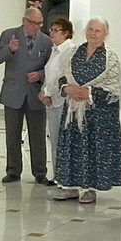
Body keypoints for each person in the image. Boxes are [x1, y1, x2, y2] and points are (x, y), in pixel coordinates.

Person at [50, 18, 121, 203]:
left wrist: (89, 92)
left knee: (93, 150)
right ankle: (70, 187)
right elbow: (62, 77)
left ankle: (91, 189)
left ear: (105, 34)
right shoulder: (74, 53)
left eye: (98, 31)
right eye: (90, 29)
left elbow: (114, 88)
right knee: (71, 149)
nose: (93, 33)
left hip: (97, 116)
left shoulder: (110, 57)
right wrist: (67, 88)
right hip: (73, 112)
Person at [0, 6, 52, 184]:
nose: (36, 27)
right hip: (13, 93)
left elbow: (51, 67)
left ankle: (40, 172)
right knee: (12, 135)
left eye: (39, 23)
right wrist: (9, 50)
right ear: (24, 21)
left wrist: (40, 75)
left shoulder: (46, 41)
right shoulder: (9, 35)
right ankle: (13, 171)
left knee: (38, 136)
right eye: (33, 23)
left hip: (36, 95)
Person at [39, 18, 74, 180]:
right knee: (54, 140)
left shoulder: (70, 51)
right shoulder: (55, 50)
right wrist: (44, 91)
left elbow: (63, 76)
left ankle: (66, 176)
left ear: (66, 33)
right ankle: (57, 175)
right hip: (52, 101)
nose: (51, 33)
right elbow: (49, 75)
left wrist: (47, 93)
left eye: (56, 30)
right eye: (51, 29)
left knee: (64, 141)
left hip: (63, 101)